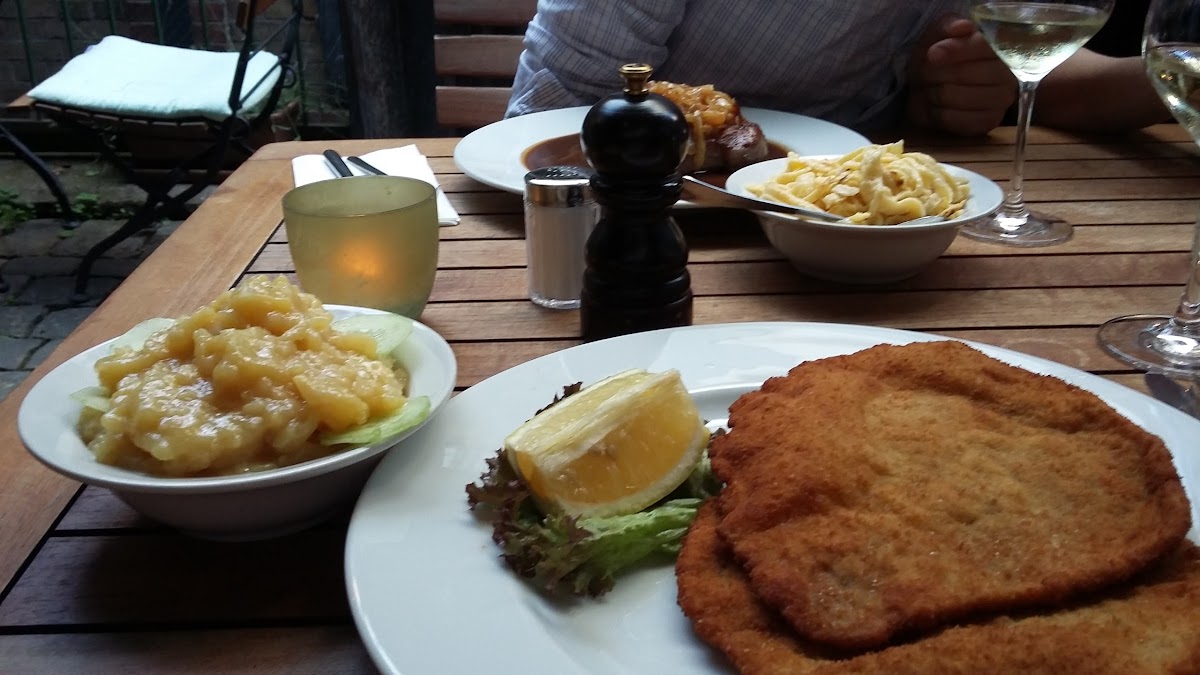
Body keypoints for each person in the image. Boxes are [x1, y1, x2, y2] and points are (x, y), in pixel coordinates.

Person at [507, 1, 1169, 136]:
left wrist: (969, 81)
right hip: (661, 220)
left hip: (865, 234)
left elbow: (1038, 64)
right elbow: (547, 120)